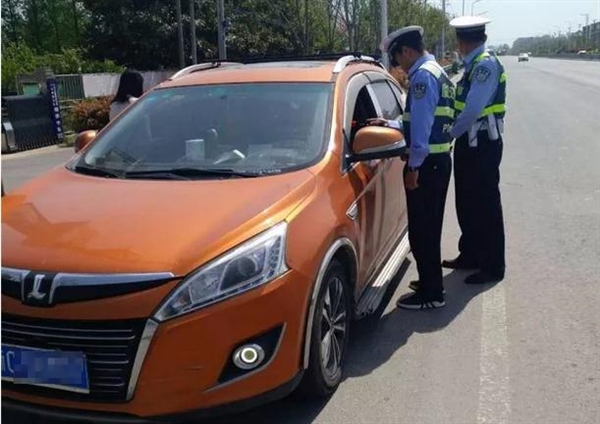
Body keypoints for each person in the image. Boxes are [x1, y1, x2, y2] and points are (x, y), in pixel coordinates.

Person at [374, 26, 455, 310]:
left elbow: (421, 129)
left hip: (426, 164)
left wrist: (413, 168)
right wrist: (390, 124)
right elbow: (422, 118)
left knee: (423, 231)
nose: (399, 66)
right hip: (438, 161)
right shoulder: (437, 72)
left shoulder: (422, 77)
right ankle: (429, 282)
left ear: (407, 51)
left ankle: (432, 294)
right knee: (428, 227)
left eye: (397, 59)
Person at [442, 16, 507, 284]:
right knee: (467, 202)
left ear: (462, 42)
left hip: (482, 144)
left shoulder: (485, 66)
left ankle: (492, 266)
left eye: (458, 41)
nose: (457, 47)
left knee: (486, 205)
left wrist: (449, 134)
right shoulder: (472, 66)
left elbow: (472, 110)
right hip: (469, 144)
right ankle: (470, 254)